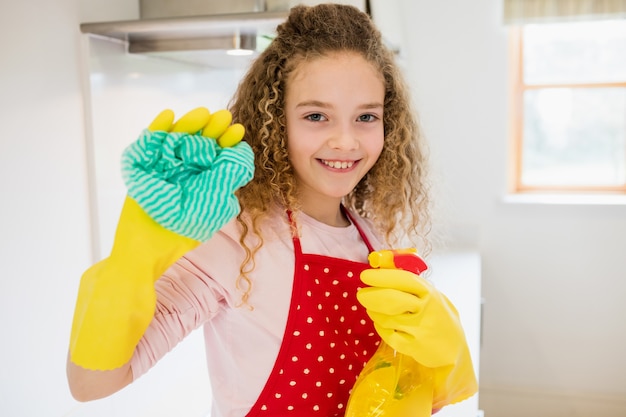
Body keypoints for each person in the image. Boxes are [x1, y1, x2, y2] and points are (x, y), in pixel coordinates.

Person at [67, 3, 477, 416]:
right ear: (277, 121)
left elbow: (396, 393)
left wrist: (445, 356)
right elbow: (91, 383)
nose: (346, 141)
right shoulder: (237, 238)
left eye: (366, 116)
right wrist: (131, 262)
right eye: (317, 116)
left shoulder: (376, 238)